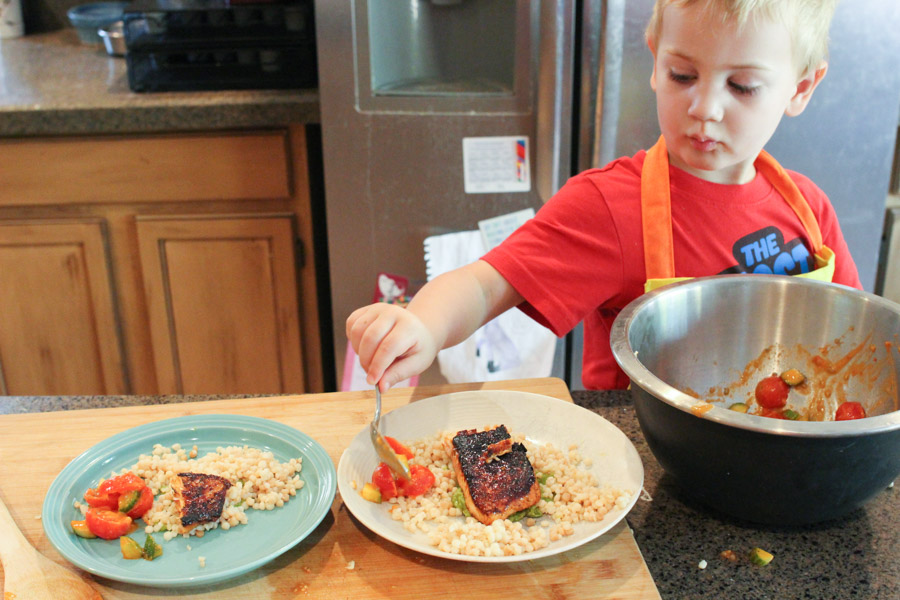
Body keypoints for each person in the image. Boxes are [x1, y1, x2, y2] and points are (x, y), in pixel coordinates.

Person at [347, 0, 862, 392]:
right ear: (656, 62)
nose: (705, 107)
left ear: (800, 88)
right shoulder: (611, 207)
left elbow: (854, 341)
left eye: (743, 86)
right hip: (650, 476)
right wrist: (422, 325)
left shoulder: (809, 210)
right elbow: (483, 286)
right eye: (684, 75)